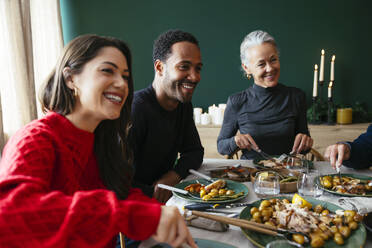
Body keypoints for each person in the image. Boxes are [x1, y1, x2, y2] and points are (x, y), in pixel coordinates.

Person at [0, 34, 196, 248]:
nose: (121, 83)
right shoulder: (36, 138)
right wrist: (131, 214)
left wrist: (158, 211)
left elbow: (121, 195)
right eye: (107, 71)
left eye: (125, 76)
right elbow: (10, 215)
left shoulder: (101, 144)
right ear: (70, 79)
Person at [130, 30, 204, 203]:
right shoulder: (136, 109)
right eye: (184, 67)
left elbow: (194, 152)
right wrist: (154, 194)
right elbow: (116, 180)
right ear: (159, 67)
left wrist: (174, 175)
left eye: (198, 68)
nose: (195, 77)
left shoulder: (183, 105)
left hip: (166, 199)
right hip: (137, 207)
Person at [217, 30, 313, 159]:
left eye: (273, 60)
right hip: (250, 174)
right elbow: (221, 147)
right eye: (261, 64)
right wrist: (235, 141)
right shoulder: (237, 101)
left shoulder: (296, 96)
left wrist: (306, 142)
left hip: (287, 173)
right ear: (247, 68)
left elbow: (304, 148)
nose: (270, 68)